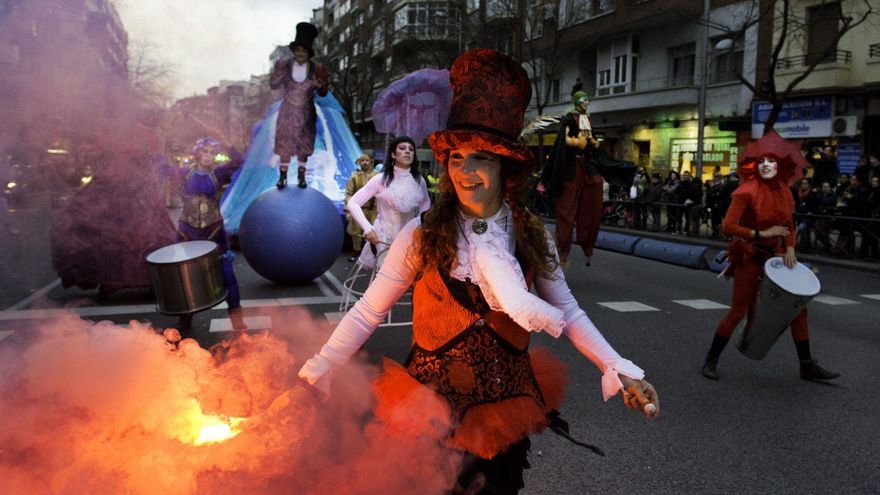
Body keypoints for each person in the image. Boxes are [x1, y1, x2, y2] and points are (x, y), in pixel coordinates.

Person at [298, 48, 658, 495]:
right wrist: (324, 363)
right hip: (429, 411)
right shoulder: (420, 234)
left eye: (481, 158)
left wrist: (618, 367)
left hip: (504, 411)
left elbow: (567, 311)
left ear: (506, 167)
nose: (465, 171)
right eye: (456, 158)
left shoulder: (530, 234)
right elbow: (369, 311)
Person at [701, 130, 839, 382]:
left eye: (772, 161)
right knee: (738, 311)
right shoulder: (746, 191)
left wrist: (790, 248)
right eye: (762, 161)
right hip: (749, 256)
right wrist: (760, 232)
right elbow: (728, 227)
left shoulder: (785, 192)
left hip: (776, 258)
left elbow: (789, 225)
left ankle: (807, 365)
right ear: (755, 165)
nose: (766, 165)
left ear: (780, 166)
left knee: (798, 309)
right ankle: (710, 361)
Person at [163, 138, 246, 332]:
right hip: (188, 234)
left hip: (214, 233)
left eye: (212, 152)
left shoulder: (218, 174)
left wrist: (226, 141)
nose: (209, 156)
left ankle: (237, 319)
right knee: (186, 278)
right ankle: (185, 318)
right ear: (197, 153)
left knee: (228, 276)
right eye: (205, 152)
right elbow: (162, 169)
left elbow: (238, 161)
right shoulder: (185, 174)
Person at [539, 91, 602, 266]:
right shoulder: (568, 119)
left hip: (586, 168)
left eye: (588, 100)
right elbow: (565, 139)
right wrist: (575, 142)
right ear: (578, 102)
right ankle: (562, 252)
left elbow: (591, 139)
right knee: (566, 212)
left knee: (592, 207)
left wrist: (594, 142)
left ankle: (587, 243)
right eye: (584, 100)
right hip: (570, 169)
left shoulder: (586, 119)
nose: (587, 102)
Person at [347, 136, 430, 268]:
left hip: (409, 239)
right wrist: (368, 229)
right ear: (393, 154)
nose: (408, 152)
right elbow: (353, 203)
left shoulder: (419, 180)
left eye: (411, 149)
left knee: (406, 277)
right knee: (382, 276)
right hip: (383, 239)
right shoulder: (381, 179)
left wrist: (421, 225)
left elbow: (425, 202)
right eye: (402, 148)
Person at [270, 22, 329, 189]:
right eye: (298, 50)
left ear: (308, 53)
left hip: (306, 112)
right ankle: (282, 177)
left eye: (304, 51)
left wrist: (320, 86)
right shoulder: (284, 66)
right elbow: (273, 85)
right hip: (288, 111)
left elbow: (323, 92)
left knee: (304, 144)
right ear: (294, 51)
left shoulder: (317, 69)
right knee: (285, 143)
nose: (300, 54)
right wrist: (277, 78)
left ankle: (301, 177)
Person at [344, 154, 378, 262]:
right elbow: (349, 193)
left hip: (372, 209)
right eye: (362, 160)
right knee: (356, 233)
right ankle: (356, 252)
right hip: (357, 209)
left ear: (371, 162)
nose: (365, 163)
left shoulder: (377, 176)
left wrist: (378, 210)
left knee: (373, 232)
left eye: (367, 160)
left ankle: (374, 254)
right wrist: (348, 211)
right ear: (359, 162)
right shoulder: (354, 176)